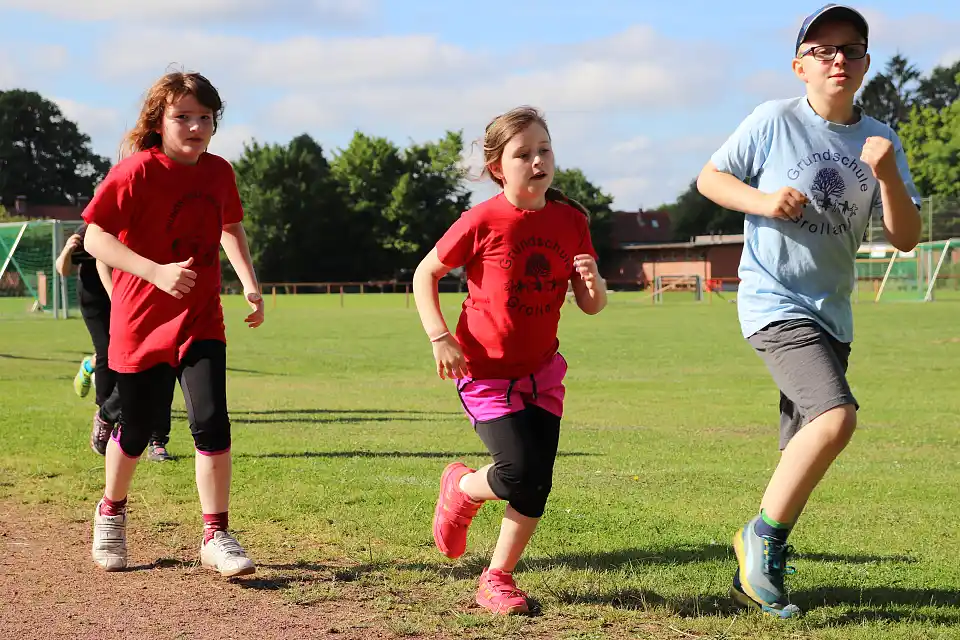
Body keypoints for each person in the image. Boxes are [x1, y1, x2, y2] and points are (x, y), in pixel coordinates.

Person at [696, 4, 922, 617]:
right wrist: (765, 202)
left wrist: (889, 178)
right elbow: (710, 180)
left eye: (850, 49)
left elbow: (905, 237)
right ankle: (760, 540)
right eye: (823, 51)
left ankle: (760, 571)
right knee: (836, 419)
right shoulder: (773, 121)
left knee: (804, 445)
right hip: (774, 300)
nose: (838, 60)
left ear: (866, 63)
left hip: (833, 312)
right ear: (800, 66)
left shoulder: (880, 139)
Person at [413, 106, 607, 614]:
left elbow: (590, 306)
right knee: (519, 470)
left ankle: (497, 577)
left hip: (543, 373)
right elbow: (424, 275)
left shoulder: (572, 221)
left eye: (545, 150)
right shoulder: (481, 220)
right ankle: (462, 487)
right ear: (498, 166)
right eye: (524, 154)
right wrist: (439, 336)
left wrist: (594, 286)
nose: (538, 161)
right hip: (484, 373)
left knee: (535, 481)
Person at [82, 70, 265, 576]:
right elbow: (95, 238)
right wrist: (154, 272)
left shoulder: (219, 172)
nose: (195, 127)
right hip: (140, 322)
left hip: (202, 318)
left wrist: (249, 282)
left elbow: (231, 228)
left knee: (211, 420)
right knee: (137, 428)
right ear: (159, 122)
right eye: (182, 117)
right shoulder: (137, 171)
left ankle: (216, 534)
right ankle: (111, 512)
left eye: (205, 117)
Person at [56, 224, 172, 460]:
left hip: (127, 294)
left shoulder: (135, 222)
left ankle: (153, 436)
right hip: (96, 299)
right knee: (108, 352)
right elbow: (65, 269)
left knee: (148, 356)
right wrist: (68, 250)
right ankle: (106, 411)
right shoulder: (88, 230)